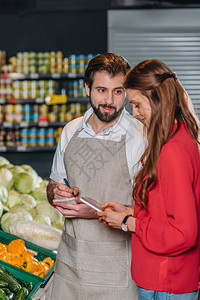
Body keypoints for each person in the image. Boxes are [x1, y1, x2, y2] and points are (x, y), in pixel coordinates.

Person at [97, 58, 200, 300]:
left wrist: (129, 222)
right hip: (165, 279)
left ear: (157, 99)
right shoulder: (179, 138)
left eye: (138, 105)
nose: (135, 114)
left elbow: (184, 232)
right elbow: (169, 208)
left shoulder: (172, 150)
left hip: (164, 282)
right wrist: (133, 211)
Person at [47, 53, 146, 299]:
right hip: (70, 266)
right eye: (102, 90)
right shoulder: (71, 131)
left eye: (118, 92)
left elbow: (152, 208)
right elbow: (52, 187)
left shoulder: (139, 136)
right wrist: (57, 194)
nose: (109, 101)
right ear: (87, 88)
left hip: (116, 270)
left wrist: (95, 211)